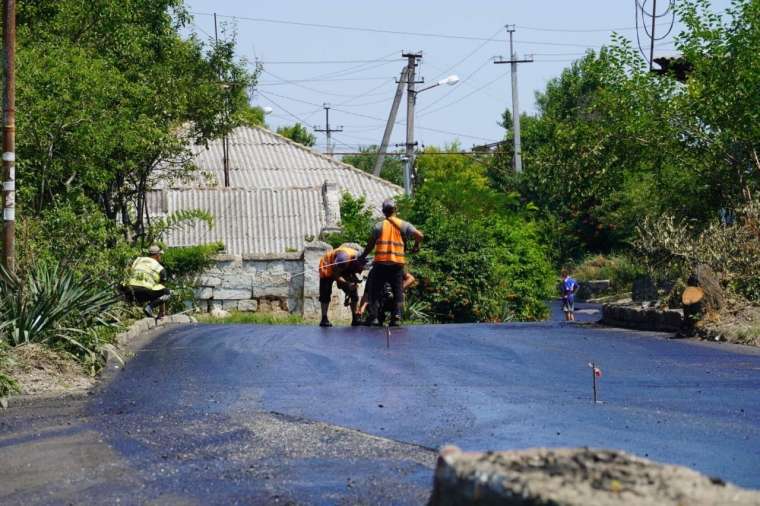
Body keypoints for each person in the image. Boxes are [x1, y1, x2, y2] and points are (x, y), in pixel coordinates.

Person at [360, 199, 423, 327]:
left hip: (381, 264)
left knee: (375, 291)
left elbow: (370, 244)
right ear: (395, 209)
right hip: (397, 264)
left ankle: (375, 317)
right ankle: (396, 317)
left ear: (383, 211)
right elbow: (420, 235)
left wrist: (363, 256)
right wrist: (416, 245)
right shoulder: (404, 225)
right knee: (398, 290)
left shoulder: (378, 226)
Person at [318, 243, 367, 327]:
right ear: (355, 262)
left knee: (353, 292)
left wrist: (354, 282)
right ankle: (324, 318)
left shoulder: (358, 259)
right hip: (328, 266)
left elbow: (350, 272)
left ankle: (355, 319)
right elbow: (335, 274)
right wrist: (346, 284)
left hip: (343, 267)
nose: (360, 269)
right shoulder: (343, 259)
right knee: (325, 292)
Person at [126, 245, 171, 318]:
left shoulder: (138, 260)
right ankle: (149, 307)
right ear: (157, 255)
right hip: (144, 292)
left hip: (129, 292)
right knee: (167, 292)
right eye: (160, 255)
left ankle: (130, 315)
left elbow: (128, 271)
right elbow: (162, 289)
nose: (160, 257)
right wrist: (162, 312)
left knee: (153, 290)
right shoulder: (160, 268)